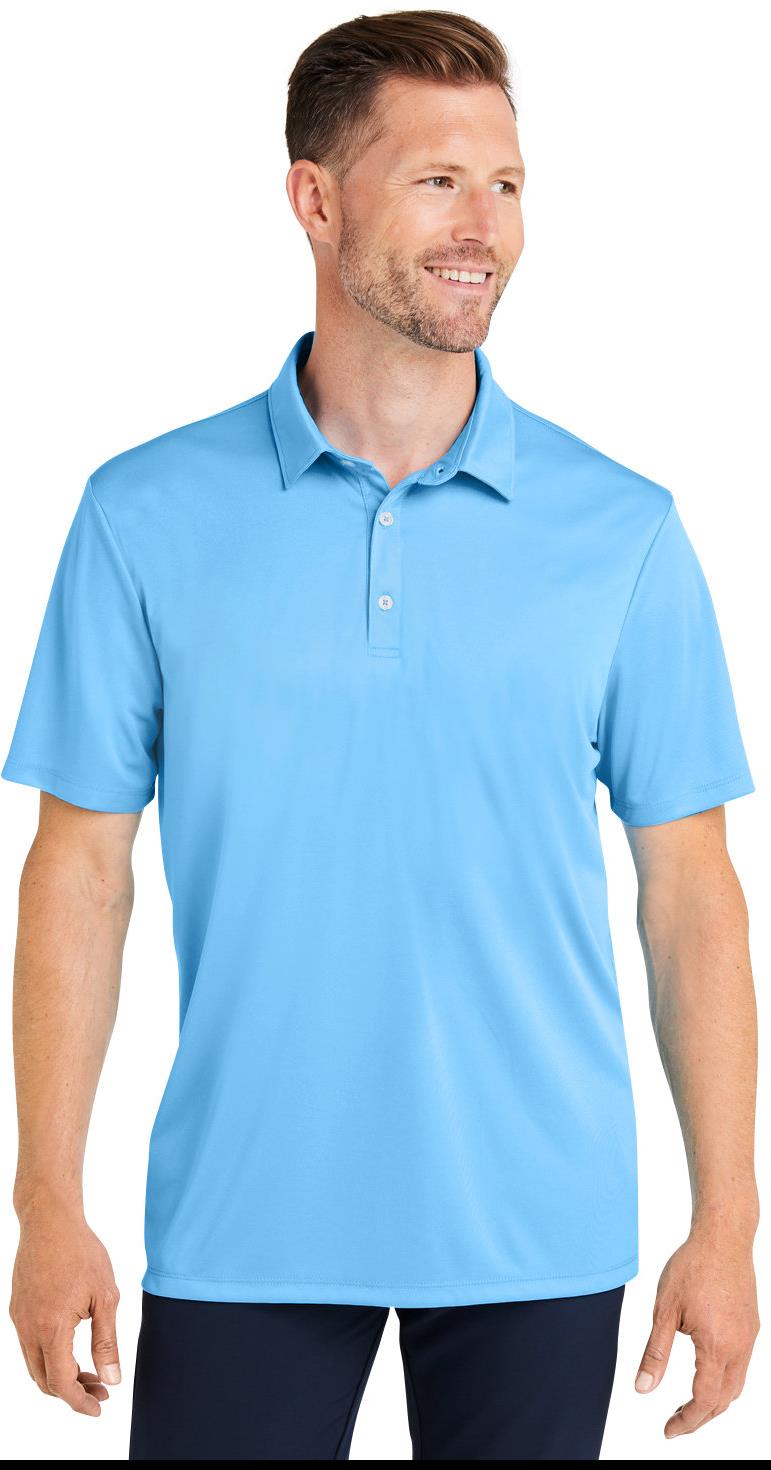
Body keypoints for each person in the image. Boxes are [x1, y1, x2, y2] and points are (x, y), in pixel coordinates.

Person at [3, 8, 760, 1461]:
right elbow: (78, 872)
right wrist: (47, 1202)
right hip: (245, 1221)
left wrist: (726, 1222)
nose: (486, 227)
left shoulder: (625, 532)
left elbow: (692, 896)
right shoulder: (141, 515)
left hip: (539, 1230)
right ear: (315, 199)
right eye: (439, 182)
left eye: (509, 184)